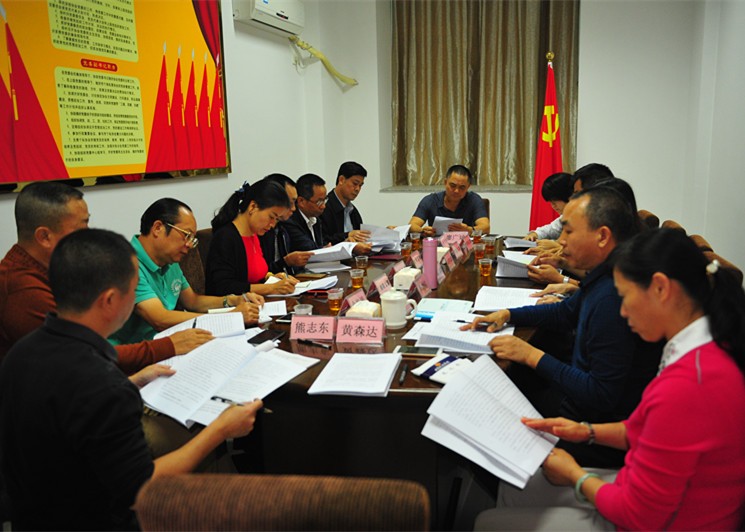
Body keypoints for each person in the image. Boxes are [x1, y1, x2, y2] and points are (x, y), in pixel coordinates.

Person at [474, 228, 745, 530]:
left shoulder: (690, 383)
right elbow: (647, 427)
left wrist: (575, 475)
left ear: (660, 288)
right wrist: (586, 431)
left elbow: (638, 515)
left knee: (488, 522)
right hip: (649, 491)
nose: (623, 312)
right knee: (513, 489)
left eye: (625, 298)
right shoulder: (698, 346)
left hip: (669, 520)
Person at [0, 229, 262, 531]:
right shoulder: (102, 383)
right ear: (111, 300)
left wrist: (131, 382)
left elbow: (65, 413)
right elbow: (140, 488)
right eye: (134, 287)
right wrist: (221, 430)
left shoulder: (21, 353)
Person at [464, 187, 661, 467]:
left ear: (602, 236)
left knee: (479, 416)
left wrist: (530, 354)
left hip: (592, 430)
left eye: (568, 231)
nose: (561, 241)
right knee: (503, 383)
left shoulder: (615, 295)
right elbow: (565, 312)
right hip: (578, 403)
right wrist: (508, 314)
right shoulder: (606, 273)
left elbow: (601, 394)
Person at [0, 182, 210, 371]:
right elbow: (85, 353)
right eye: (81, 226)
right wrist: (168, 346)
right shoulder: (23, 288)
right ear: (44, 236)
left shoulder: (58, 266)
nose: (88, 233)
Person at [110, 198, 263, 345]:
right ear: (158, 228)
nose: (189, 245)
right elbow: (160, 319)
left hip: (166, 341)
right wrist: (229, 318)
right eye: (186, 235)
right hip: (131, 351)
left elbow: (193, 301)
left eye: (192, 239)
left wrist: (233, 300)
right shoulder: (127, 264)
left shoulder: (169, 260)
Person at [206, 179, 298, 297]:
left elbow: (255, 275)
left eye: (277, 219)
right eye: (271, 217)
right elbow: (223, 287)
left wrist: (272, 277)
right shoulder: (225, 237)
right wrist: (271, 288)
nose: (272, 224)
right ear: (253, 207)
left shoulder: (256, 234)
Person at [409, 164, 490, 236]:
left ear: (468, 187)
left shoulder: (473, 200)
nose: (456, 191)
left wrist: (470, 230)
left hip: (465, 245)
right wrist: (423, 231)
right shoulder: (431, 200)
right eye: (453, 185)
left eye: (462, 187)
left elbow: (486, 227)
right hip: (436, 246)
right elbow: (412, 225)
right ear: (445, 182)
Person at [258, 174, 314, 275]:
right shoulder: (260, 230)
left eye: (294, 203)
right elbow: (260, 273)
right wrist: (286, 261)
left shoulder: (282, 227)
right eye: (290, 203)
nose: (294, 208)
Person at [319, 161, 372, 247]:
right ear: (341, 180)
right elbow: (322, 241)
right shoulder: (323, 207)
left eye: (360, 185)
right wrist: (347, 235)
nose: (357, 189)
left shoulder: (353, 211)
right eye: (355, 183)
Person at [524, 172, 573, 241]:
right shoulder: (564, 217)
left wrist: (554, 244)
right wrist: (535, 234)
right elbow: (551, 229)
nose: (553, 206)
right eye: (551, 202)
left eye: (555, 201)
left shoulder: (583, 218)